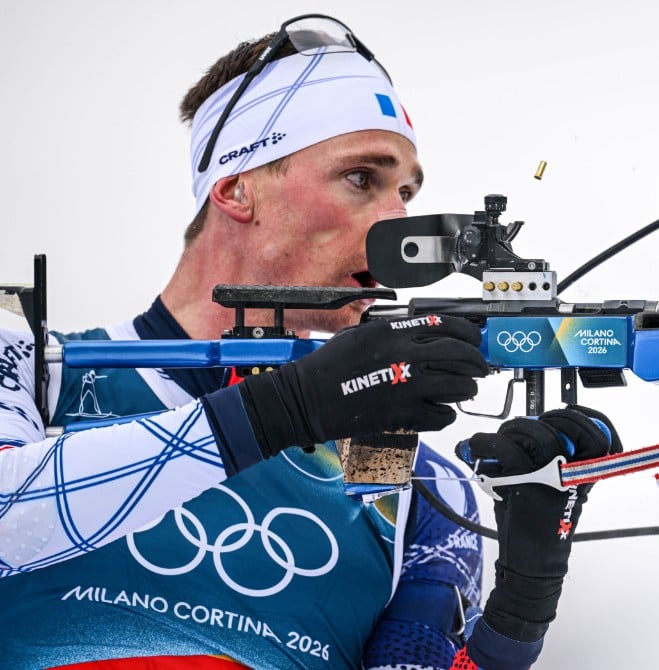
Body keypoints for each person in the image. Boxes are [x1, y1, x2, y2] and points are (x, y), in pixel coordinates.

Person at [0, 14, 619, 670]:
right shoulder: (35, 364)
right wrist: (287, 409)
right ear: (236, 188)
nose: (399, 220)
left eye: (407, 193)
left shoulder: (411, 477)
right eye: (361, 179)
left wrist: (521, 608)